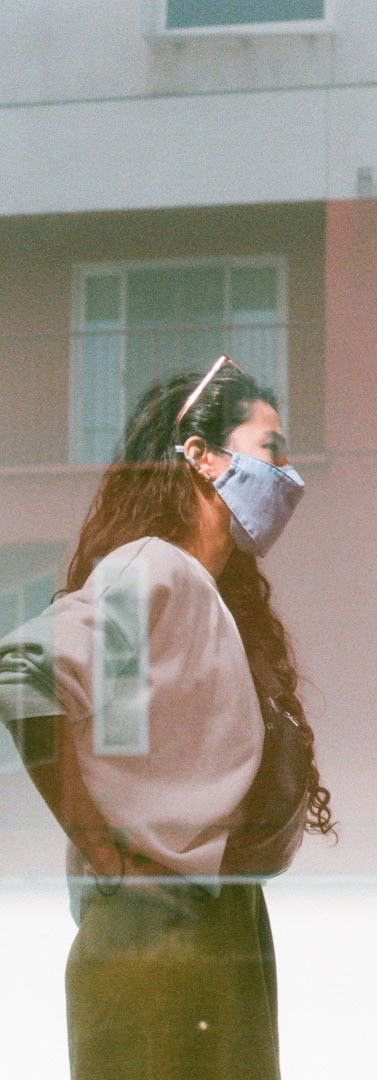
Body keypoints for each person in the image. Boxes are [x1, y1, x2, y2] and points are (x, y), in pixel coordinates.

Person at [0, 357, 333, 1080]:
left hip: (207, 922)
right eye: (271, 448)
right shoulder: (151, 568)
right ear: (201, 457)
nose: (288, 472)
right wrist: (101, 845)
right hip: (160, 934)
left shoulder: (190, 588)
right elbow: (23, 675)